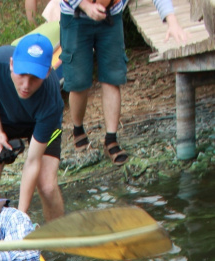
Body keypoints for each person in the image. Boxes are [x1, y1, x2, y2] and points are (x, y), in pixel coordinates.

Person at [61, 0, 187, 165]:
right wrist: (86, 6)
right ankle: (78, 131)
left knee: (112, 78)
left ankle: (111, 139)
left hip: (111, 17)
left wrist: (172, 21)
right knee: (78, 82)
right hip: (75, 16)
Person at [0, 33, 65, 221]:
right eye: (21, 75)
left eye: (35, 78)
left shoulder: (51, 100)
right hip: (2, 118)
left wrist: (22, 214)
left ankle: (59, 241)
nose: (26, 85)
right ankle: (1, 232)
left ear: (47, 72)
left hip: (39, 122)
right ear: (12, 64)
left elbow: (32, 162)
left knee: (46, 186)